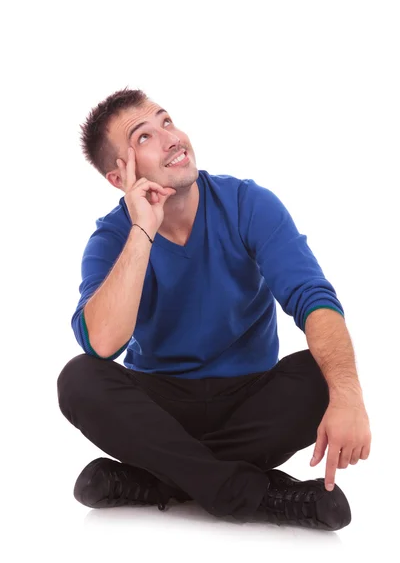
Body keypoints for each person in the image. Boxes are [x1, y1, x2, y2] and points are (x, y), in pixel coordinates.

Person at [57, 88, 371, 531]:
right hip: (160, 405)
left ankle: (159, 480)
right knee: (78, 379)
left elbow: (313, 298)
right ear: (118, 177)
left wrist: (349, 398)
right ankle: (254, 493)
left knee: (324, 375)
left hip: (249, 399)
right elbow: (102, 344)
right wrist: (143, 231)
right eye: (144, 137)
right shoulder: (112, 238)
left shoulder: (247, 203)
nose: (171, 138)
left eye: (166, 122)